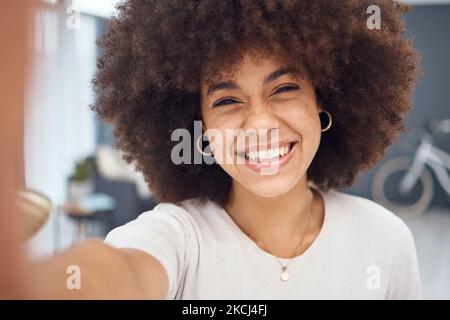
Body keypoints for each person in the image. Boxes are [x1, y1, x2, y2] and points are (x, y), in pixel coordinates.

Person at [1, 0, 421, 299]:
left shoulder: (385, 241)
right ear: (196, 124)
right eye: (226, 100)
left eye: (285, 88)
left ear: (323, 100)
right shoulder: (178, 238)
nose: (259, 123)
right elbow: (117, 273)